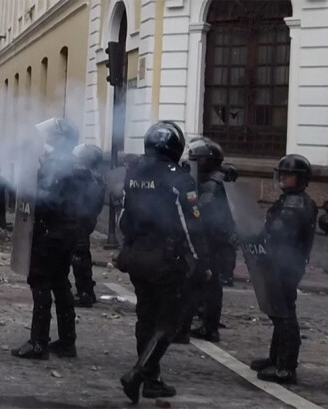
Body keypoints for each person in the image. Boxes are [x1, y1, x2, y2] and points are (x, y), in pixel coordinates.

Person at [117, 121, 210, 403]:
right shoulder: (178, 179)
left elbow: (124, 219)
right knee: (168, 321)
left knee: (145, 317)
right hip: (166, 259)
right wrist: (202, 260)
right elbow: (190, 226)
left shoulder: (134, 173)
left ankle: (152, 380)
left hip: (137, 256)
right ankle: (138, 374)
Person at [11, 118, 85, 360]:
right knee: (61, 283)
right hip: (68, 232)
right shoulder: (74, 165)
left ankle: (39, 342)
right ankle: (67, 341)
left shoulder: (56, 166)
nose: (47, 140)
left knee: (40, 281)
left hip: (50, 232)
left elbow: (45, 199)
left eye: (52, 137)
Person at [250, 154, 317, 384]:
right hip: (288, 264)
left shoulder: (293, 205)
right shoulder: (295, 200)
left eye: (288, 175)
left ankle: (285, 367)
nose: (283, 178)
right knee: (281, 310)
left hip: (284, 265)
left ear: (299, 179)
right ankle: (276, 358)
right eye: (282, 173)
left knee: (284, 314)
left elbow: (277, 236)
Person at [178, 137, 236, 344]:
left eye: (196, 160)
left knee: (201, 283)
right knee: (208, 284)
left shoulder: (213, 184)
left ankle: (201, 327)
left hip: (212, 240)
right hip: (215, 240)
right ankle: (206, 325)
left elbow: (201, 211)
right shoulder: (215, 179)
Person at [71, 144, 106, 307]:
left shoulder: (85, 177)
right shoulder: (96, 177)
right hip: (85, 220)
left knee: (79, 256)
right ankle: (86, 289)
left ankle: (84, 292)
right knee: (82, 254)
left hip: (80, 219)